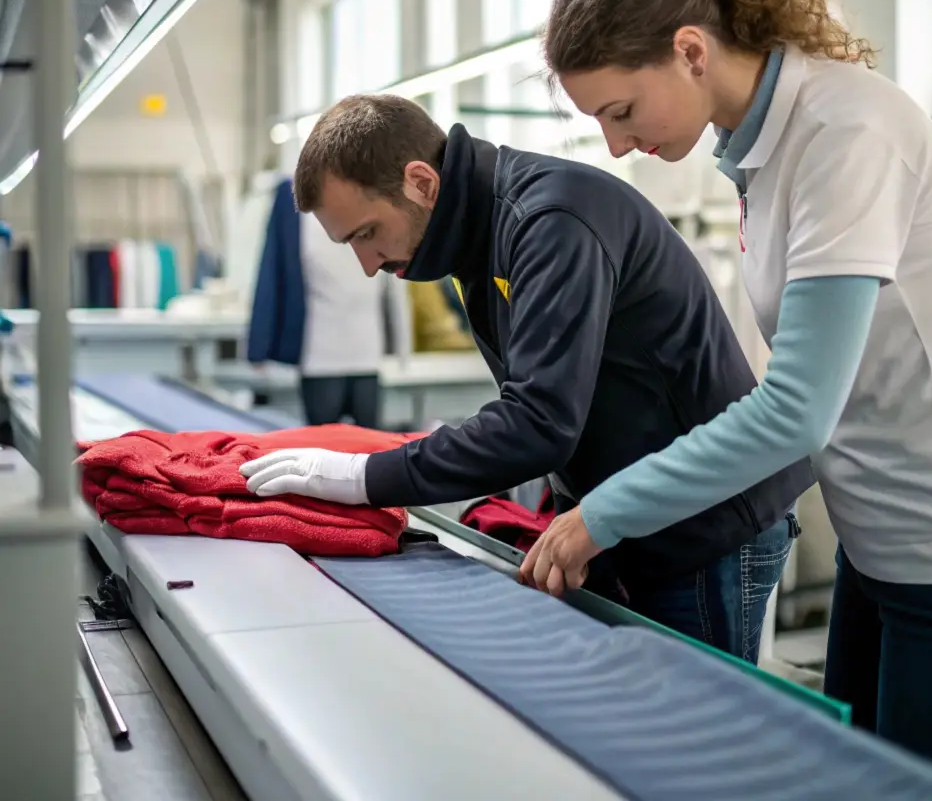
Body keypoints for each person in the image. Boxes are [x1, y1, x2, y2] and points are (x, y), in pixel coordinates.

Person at [520, 0, 932, 795]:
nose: (618, 143)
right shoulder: (757, 150)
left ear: (689, 49)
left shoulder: (843, 132)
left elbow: (795, 408)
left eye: (622, 109)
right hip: (879, 540)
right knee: (854, 780)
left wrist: (604, 512)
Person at [239, 93, 813, 662]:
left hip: (703, 528)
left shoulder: (548, 219)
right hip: (634, 523)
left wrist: (363, 476)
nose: (367, 266)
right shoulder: (477, 236)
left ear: (421, 182)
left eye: (366, 233)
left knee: (699, 733)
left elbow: (537, 423)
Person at [248, 175, 408, 427]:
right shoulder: (293, 200)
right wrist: (258, 347)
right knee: (323, 446)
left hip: (366, 353)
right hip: (320, 354)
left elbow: (394, 279)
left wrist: (402, 346)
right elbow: (272, 271)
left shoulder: (378, 189)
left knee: (369, 449)